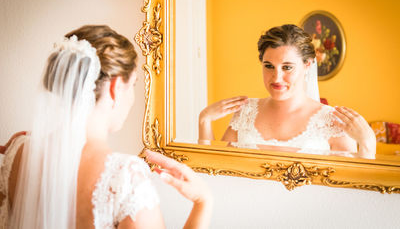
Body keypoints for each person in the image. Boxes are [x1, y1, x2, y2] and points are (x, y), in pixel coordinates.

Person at [0, 25, 212, 229]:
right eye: (133, 84)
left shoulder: (17, 152)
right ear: (116, 87)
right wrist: (203, 203)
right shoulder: (124, 176)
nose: (132, 98)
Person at [198, 24, 376, 159]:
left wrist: (368, 144)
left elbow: (348, 190)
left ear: (307, 65)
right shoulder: (245, 112)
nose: (276, 77)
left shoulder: (332, 122)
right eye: (269, 66)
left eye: (287, 67)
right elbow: (216, 171)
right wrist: (204, 120)